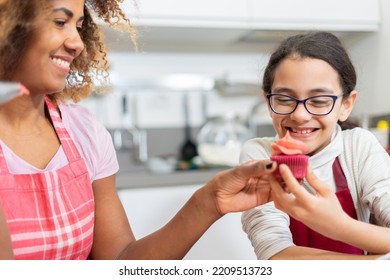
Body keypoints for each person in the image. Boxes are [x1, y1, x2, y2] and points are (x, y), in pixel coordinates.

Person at [0, 0, 277, 260]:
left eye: (80, 27)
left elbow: (120, 261)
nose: (77, 43)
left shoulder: (85, 132)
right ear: (7, 23)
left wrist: (211, 201)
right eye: (60, 22)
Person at [240, 31, 390, 260]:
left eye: (319, 101)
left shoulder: (358, 147)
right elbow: (276, 256)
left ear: (346, 105)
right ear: (268, 103)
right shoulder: (259, 155)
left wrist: (338, 225)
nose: (300, 115)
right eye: (284, 99)